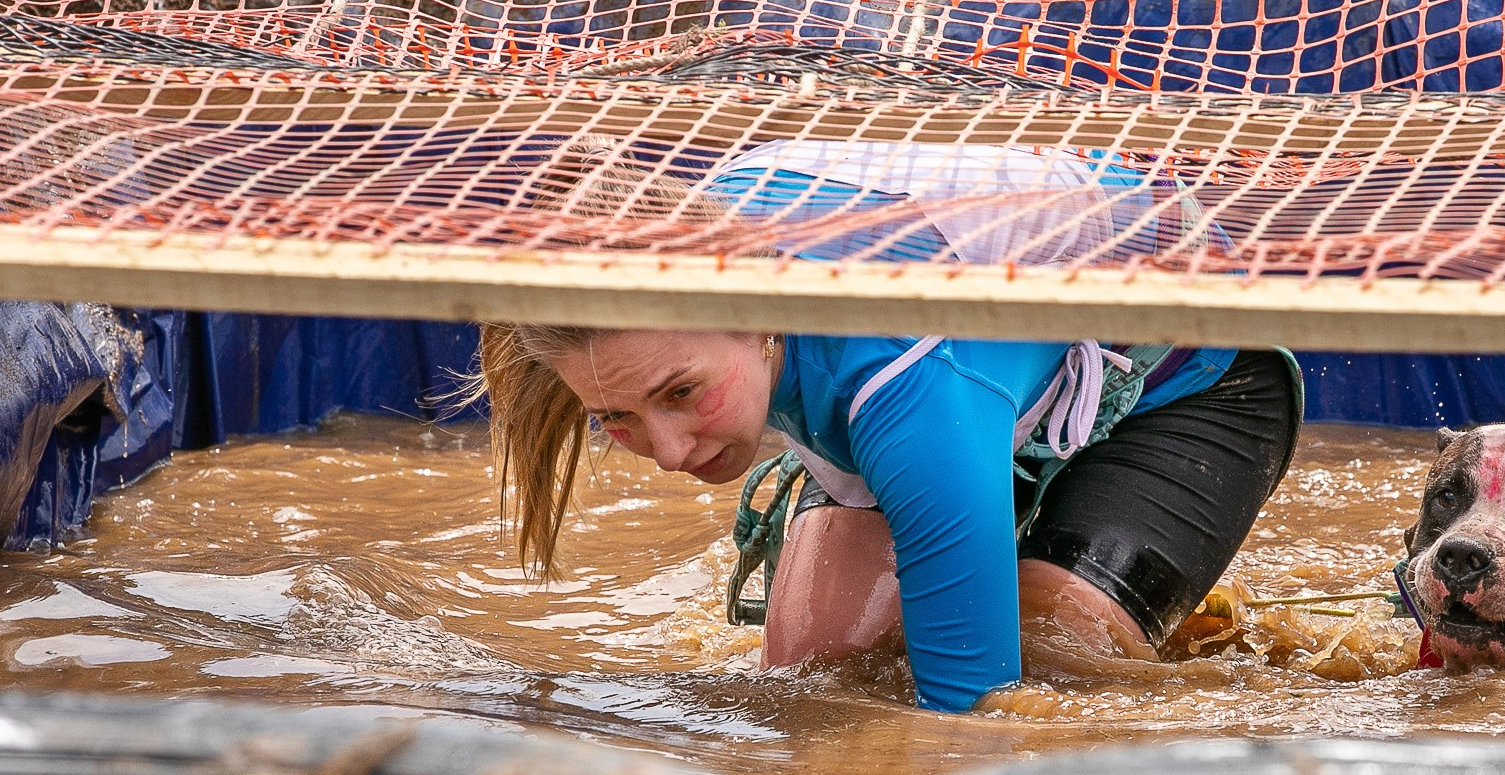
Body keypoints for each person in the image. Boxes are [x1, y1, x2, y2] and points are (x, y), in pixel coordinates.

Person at [476, 143, 1300, 712]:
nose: (667, 452)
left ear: (757, 315)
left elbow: (972, 721)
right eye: (614, 418)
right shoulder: (665, 261)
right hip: (980, 367)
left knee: (1054, 662)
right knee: (817, 683)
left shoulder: (906, 389)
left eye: (683, 392)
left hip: (1188, 381)